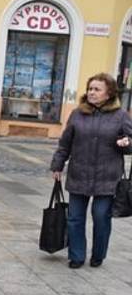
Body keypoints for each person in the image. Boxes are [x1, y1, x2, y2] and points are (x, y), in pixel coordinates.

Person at [51, 73, 132, 269]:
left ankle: (98, 254)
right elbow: (65, 143)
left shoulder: (120, 116)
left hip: (107, 177)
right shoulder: (77, 114)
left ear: (109, 93)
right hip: (79, 173)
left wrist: (126, 143)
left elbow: (130, 143)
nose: (91, 93)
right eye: (90, 89)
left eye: (97, 89)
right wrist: (57, 164)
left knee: (101, 217)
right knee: (75, 218)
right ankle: (77, 256)